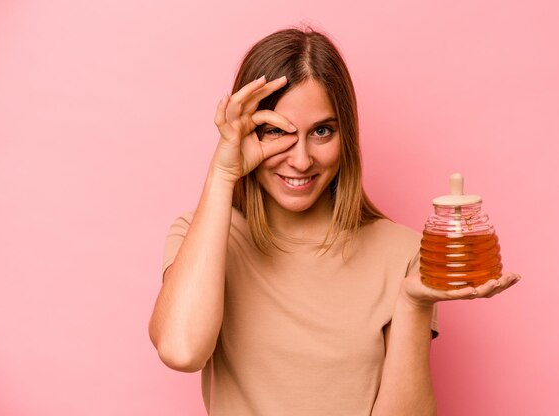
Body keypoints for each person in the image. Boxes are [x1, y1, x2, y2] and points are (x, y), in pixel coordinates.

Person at [148, 26, 520, 416]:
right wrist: (223, 174)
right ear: (247, 132)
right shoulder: (207, 237)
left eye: (322, 131)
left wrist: (412, 303)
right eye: (277, 132)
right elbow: (181, 349)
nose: (302, 159)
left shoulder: (403, 252)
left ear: (347, 136)